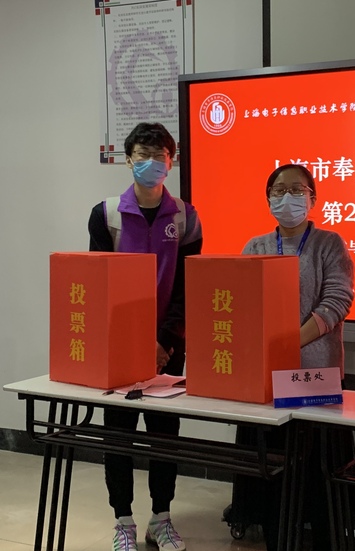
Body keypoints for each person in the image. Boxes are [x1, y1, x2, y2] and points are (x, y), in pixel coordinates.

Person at [88, 123, 202, 551]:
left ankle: (161, 518)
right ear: (128, 159)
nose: (151, 162)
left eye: (159, 155)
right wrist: (135, 341)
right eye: (142, 154)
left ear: (172, 162)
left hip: (169, 346)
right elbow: (101, 284)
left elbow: (188, 287)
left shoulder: (186, 216)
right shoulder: (106, 214)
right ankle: (123, 521)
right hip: (118, 344)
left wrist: (165, 340)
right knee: (118, 435)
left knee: (164, 435)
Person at [241, 163, 355, 550]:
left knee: (320, 471)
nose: (286, 197)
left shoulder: (329, 243)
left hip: (316, 376)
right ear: (268, 198)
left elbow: (337, 301)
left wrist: (288, 342)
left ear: (312, 198)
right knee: (273, 469)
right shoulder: (255, 247)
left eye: (296, 189)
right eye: (278, 190)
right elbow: (242, 304)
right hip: (267, 378)